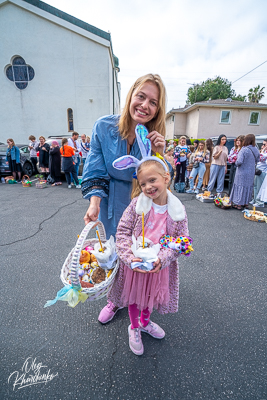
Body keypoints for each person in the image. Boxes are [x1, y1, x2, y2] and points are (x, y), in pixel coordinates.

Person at [81, 73, 167, 323]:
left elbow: (161, 183)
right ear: (131, 95)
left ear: (157, 110)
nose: (145, 105)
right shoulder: (104, 127)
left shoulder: (153, 137)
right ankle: (115, 299)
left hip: (140, 205)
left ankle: (138, 299)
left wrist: (160, 154)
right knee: (113, 251)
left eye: (153, 102)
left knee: (138, 253)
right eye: (141, 96)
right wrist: (94, 202)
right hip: (109, 200)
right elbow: (95, 167)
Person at [107, 159, 188, 355]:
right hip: (135, 265)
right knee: (135, 297)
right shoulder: (137, 205)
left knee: (150, 297)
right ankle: (134, 326)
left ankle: (144, 322)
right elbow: (123, 231)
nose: (148, 187)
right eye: (143, 183)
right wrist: (127, 256)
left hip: (158, 267)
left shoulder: (177, 211)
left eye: (152, 180)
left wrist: (165, 258)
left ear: (166, 177)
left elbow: (181, 240)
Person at [229, 134, 260, 210]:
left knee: (240, 186)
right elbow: (258, 160)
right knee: (248, 187)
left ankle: (239, 204)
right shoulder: (255, 149)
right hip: (251, 172)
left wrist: (235, 163)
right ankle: (246, 203)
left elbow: (239, 162)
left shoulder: (244, 149)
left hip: (242, 172)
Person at [250, 140, 267, 207]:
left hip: (262, 172)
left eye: (264, 144)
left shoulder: (265, 153)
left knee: (260, 187)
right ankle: (255, 199)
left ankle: (259, 202)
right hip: (258, 170)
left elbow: (260, 158)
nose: (262, 146)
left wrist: (262, 151)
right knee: (255, 186)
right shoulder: (264, 152)